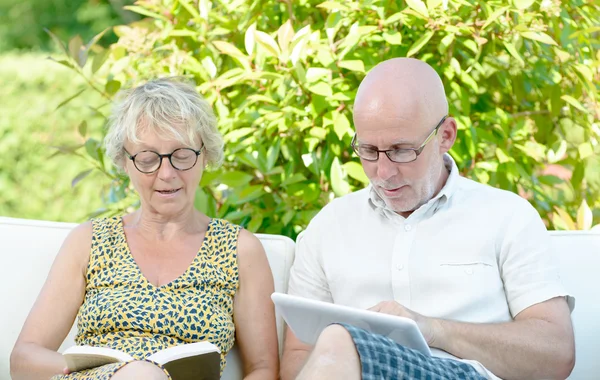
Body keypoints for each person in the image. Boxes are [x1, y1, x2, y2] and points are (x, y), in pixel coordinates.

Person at [281, 58, 575, 380]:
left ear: (445, 135)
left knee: (339, 337)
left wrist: (432, 330)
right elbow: (300, 355)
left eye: (402, 150)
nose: (384, 172)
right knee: (336, 342)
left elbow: (556, 354)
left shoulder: (507, 217)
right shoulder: (328, 227)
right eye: (368, 150)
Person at [10, 78, 279, 380]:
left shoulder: (238, 250)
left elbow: (264, 370)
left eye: (182, 155)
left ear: (205, 156)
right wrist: (114, 371)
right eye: (148, 159)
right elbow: (24, 358)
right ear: (125, 163)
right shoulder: (90, 241)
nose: (166, 174)